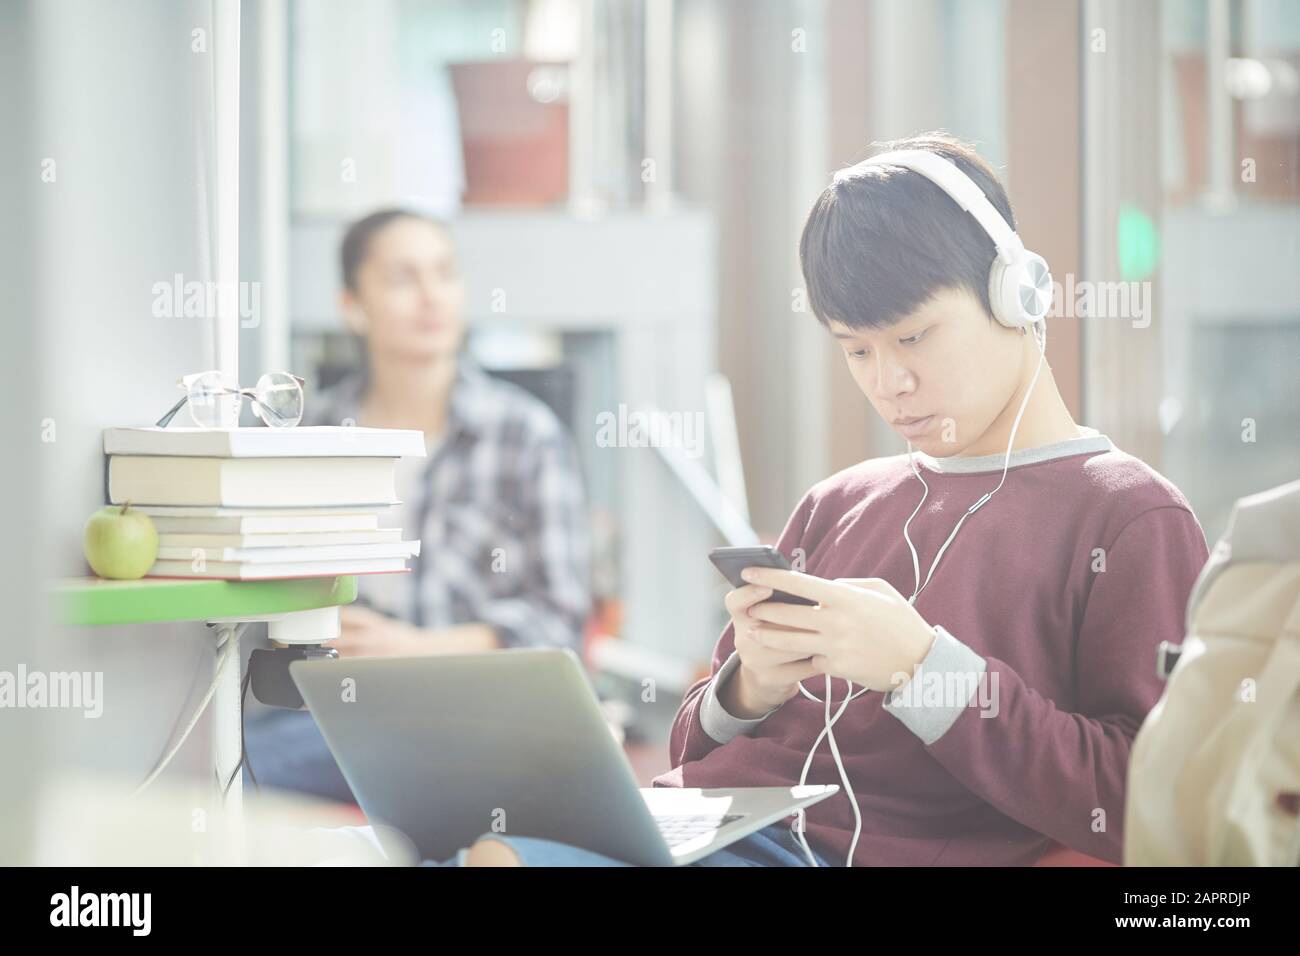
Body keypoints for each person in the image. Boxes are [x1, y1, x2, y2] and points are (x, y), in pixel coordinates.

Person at [448, 131, 1209, 866]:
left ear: (1016, 294)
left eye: (913, 339)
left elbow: (1147, 799)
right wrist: (748, 686)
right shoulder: (838, 503)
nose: (888, 383)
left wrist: (923, 669)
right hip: (693, 826)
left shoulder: (1126, 515)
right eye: (856, 350)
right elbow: (692, 753)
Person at [244, 209, 591, 803]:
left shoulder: (526, 434)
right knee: (225, 774)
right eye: (403, 279)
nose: (432, 297)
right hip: (327, 713)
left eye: (445, 274)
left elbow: (560, 627)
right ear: (353, 305)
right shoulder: (314, 438)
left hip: (470, 719)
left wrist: (409, 649)